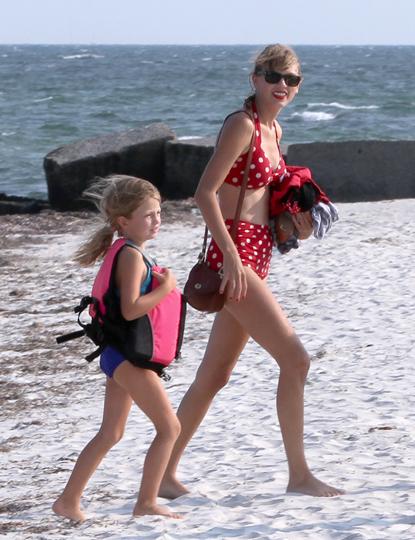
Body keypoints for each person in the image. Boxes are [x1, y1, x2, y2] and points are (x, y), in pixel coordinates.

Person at [159, 44, 344, 498]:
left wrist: (293, 227)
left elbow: (263, 202)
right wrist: (233, 258)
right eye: (273, 75)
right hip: (234, 257)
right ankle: (299, 476)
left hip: (255, 254)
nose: (283, 85)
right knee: (296, 360)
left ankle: (163, 476)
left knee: (214, 375)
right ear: (254, 78)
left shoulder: (273, 129)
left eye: (292, 79)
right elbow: (205, 194)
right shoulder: (241, 125)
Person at [52, 175, 182, 521]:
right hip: (127, 356)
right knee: (170, 428)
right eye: (149, 215)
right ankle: (147, 502)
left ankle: (68, 501)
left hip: (116, 353)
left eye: (158, 213)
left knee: (111, 432)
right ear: (123, 221)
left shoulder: (125, 250)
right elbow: (131, 308)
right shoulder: (130, 256)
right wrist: (166, 287)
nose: (157, 220)